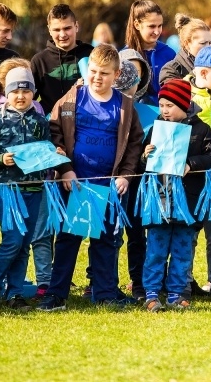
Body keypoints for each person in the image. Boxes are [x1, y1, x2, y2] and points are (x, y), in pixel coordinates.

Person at [38, 44, 143, 311]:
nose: (98, 78)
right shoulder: (72, 100)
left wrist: (126, 176)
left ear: (117, 74)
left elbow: (134, 145)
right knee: (68, 239)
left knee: (107, 240)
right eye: (94, 72)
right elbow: (55, 135)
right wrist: (65, 169)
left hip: (109, 186)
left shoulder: (126, 107)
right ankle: (57, 293)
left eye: (105, 73)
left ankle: (105, 292)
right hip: (76, 184)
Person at [139, 79, 211, 311]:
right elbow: (140, 163)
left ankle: (176, 293)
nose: (164, 110)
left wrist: (192, 164)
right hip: (160, 201)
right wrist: (146, 155)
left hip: (188, 202)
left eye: (169, 105)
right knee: (156, 249)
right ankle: (152, 293)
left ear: (184, 105)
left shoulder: (201, 129)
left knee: (182, 250)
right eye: (162, 105)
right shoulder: (155, 129)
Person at [0, 68, 50, 311]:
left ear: (33, 93)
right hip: (7, 190)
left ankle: (15, 292)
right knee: (13, 240)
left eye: (26, 90)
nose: (21, 96)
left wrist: (53, 155)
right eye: (15, 91)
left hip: (34, 189)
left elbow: (44, 150)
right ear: (7, 93)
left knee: (24, 242)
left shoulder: (40, 120)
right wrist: (0, 158)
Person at [31, 4, 94, 114]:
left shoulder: (92, 55)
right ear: (49, 30)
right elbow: (29, 98)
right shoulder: (39, 61)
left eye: (67, 28)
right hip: (52, 126)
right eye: (56, 30)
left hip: (86, 124)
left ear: (76, 26)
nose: (62, 34)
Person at [123, 0, 175, 105]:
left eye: (160, 26)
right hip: (133, 115)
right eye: (152, 26)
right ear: (137, 25)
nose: (157, 31)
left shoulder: (169, 54)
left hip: (164, 117)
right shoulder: (126, 56)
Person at [158, 13, 211, 85]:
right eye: (203, 43)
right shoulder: (170, 70)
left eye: (209, 43)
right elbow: (172, 93)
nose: (208, 47)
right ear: (187, 44)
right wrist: (197, 73)